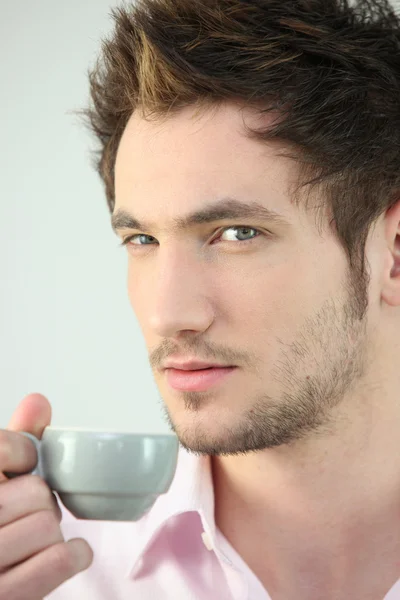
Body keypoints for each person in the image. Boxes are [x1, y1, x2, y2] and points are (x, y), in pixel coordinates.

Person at [1, 0, 400, 598]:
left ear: (392, 255)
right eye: (141, 239)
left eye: (237, 234)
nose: (168, 315)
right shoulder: (52, 576)